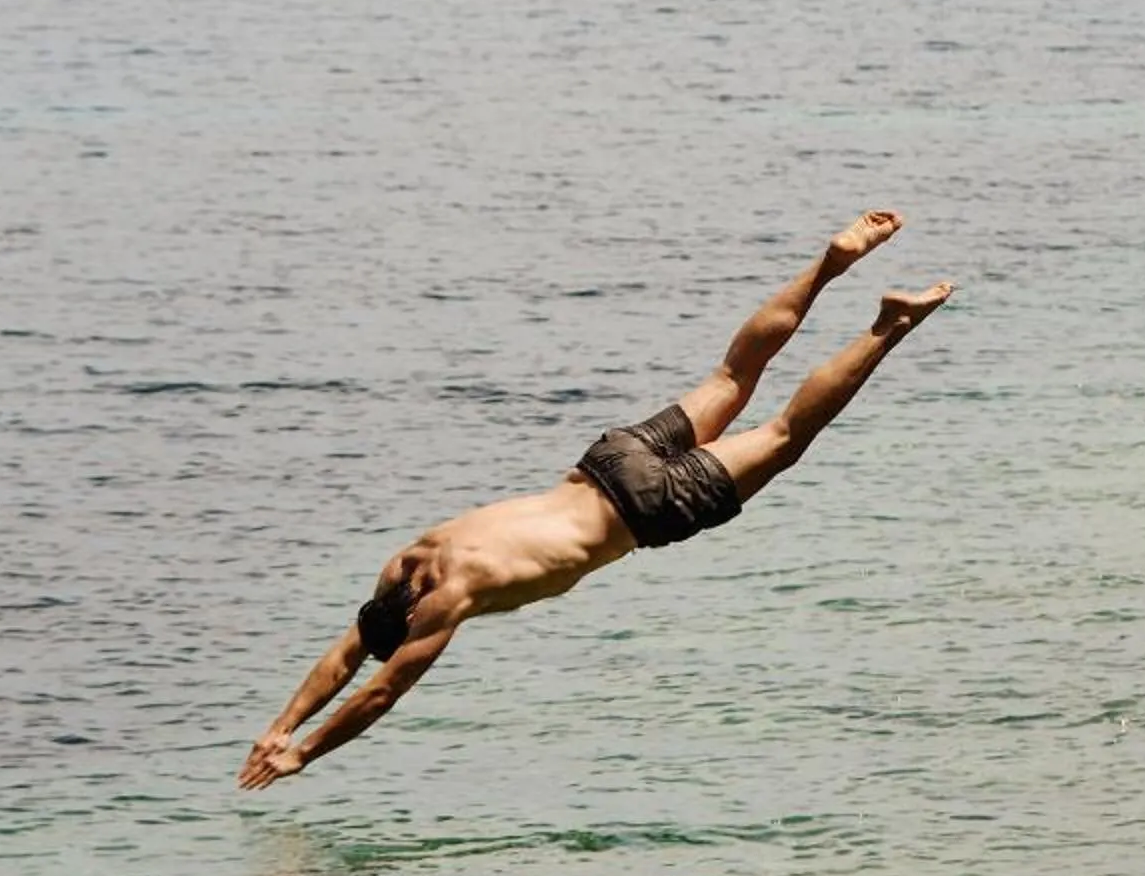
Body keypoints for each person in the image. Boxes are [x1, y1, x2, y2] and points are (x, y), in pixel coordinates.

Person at [238, 212, 953, 790]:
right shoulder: (406, 563)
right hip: (605, 462)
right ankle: (830, 263)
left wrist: (304, 752)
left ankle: (888, 325)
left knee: (785, 434)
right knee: (733, 374)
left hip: (643, 509)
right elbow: (349, 649)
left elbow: (377, 692)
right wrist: (280, 725)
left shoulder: (447, 600)